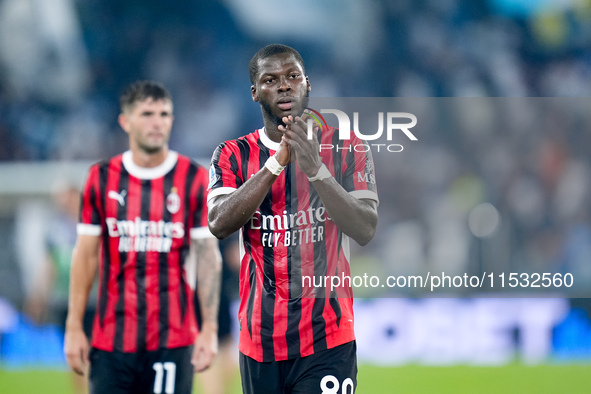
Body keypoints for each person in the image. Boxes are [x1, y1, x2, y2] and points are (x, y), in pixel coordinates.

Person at [207, 44, 379, 393]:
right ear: (255, 92)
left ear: (307, 84)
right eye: (271, 79)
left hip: (326, 336)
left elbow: (365, 228)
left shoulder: (347, 147)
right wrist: (276, 163)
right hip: (260, 339)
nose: (284, 85)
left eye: (292, 76)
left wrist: (316, 170)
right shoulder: (231, 154)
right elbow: (219, 223)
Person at [64, 80, 222, 394]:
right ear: (125, 121)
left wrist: (209, 328)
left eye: (164, 114)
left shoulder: (194, 178)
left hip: (173, 338)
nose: (157, 122)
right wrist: (73, 325)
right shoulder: (101, 178)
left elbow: (207, 256)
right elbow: (86, 255)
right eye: (147, 113)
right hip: (111, 339)